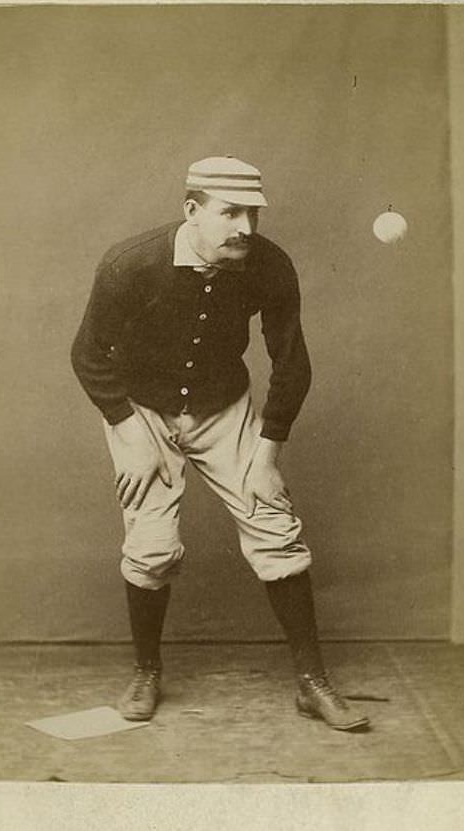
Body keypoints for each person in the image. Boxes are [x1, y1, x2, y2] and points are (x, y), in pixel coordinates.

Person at [71, 156, 369, 731]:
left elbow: (292, 364)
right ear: (192, 212)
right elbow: (88, 355)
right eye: (230, 212)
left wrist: (267, 454)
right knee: (151, 547)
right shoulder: (132, 264)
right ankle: (146, 671)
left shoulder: (269, 265)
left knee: (276, 530)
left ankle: (312, 682)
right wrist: (128, 430)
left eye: (252, 213)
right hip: (143, 414)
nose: (246, 228)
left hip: (223, 409)